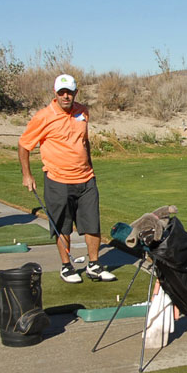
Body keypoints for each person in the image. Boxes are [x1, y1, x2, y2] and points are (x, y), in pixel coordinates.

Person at [18, 74, 116, 284]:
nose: (65, 96)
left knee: (92, 224)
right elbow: (24, 145)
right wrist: (27, 175)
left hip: (86, 178)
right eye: (61, 92)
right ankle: (66, 266)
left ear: (75, 93)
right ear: (55, 93)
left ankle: (94, 265)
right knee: (63, 225)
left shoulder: (83, 112)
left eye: (69, 92)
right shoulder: (44, 116)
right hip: (58, 179)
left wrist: (90, 166)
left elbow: (84, 141)